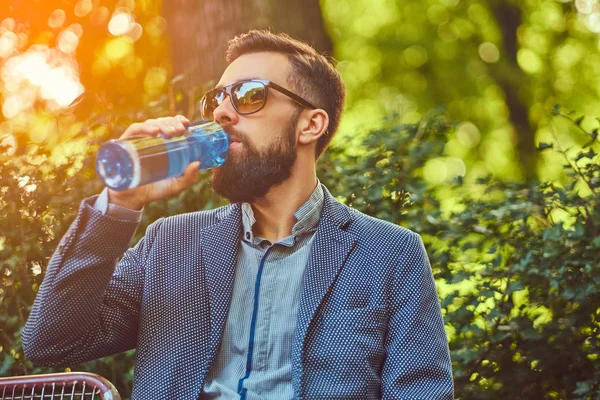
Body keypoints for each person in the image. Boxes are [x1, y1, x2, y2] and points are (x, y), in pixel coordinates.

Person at [23, 30, 453, 399]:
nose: (222, 112)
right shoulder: (169, 244)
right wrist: (120, 204)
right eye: (218, 97)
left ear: (310, 125)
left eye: (251, 95)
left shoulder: (389, 255)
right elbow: (52, 343)